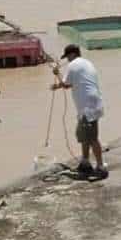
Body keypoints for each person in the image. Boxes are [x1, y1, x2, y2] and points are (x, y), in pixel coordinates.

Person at [51, 44, 108, 179]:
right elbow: (72, 83)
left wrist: (57, 73)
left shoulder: (73, 65)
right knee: (84, 136)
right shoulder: (86, 63)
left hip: (88, 106)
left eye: (67, 57)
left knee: (92, 138)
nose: (67, 60)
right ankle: (85, 162)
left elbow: (66, 85)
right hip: (92, 104)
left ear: (72, 54)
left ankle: (101, 168)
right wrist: (57, 85)